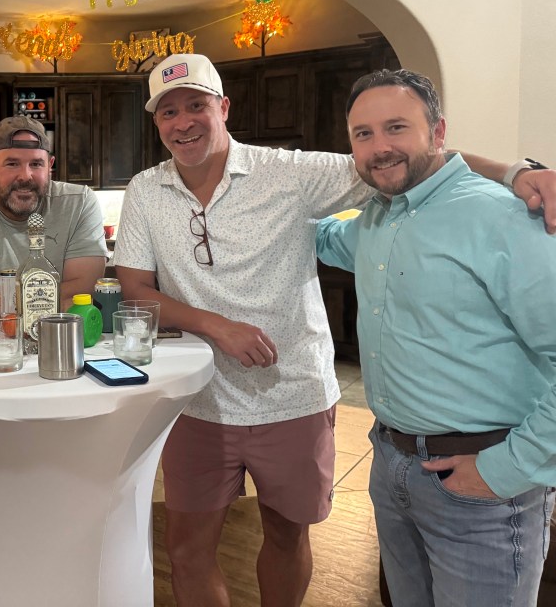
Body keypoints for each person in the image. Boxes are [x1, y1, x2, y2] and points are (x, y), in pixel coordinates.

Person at [112, 53, 556, 607]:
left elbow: (407, 162)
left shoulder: (291, 173)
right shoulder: (146, 189)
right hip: (200, 400)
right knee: (187, 550)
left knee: (286, 536)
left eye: (196, 105)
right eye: (168, 111)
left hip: (294, 396)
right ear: (157, 122)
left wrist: (516, 173)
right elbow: (136, 289)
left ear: (223, 107)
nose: (183, 122)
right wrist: (218, 326)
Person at [316, 69, 556, 606]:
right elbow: (321, 237)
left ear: (439, 131)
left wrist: (505, 470)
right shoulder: (376, 219)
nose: (380, 147)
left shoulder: (503, 216)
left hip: (484, 483)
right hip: (391, 464)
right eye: (363, 134)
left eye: (396, 127)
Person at [0, 115, 107, 310]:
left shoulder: (79, 204)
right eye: (12, 164)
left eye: (36, 164)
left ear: (49, 167)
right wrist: (45, 300)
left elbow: (82, 291)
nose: (25, 176)